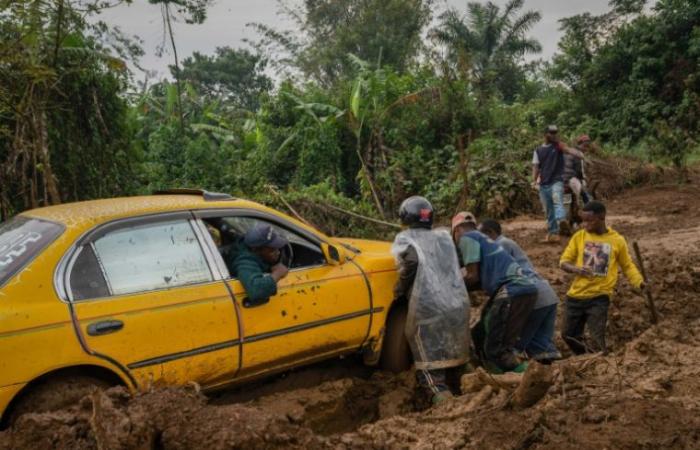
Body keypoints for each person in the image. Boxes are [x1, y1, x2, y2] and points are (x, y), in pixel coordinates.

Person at [392, 196, 470, 405]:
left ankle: (442, 396)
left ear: (405, 217)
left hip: (430, 307)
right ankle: (469, 377)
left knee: (427, 353)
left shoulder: (406, 240)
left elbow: (412, 264)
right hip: (457, 303)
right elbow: (458, 263)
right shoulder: (444, 237)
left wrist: (399, 290)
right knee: (454, 345)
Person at [451, 212, 537, 373]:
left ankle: (526, 374)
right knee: (479, 332)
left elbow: (472, 276)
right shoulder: (482, 239)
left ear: (456, 231)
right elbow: (478, 280)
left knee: (496, 348)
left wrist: (449, 287)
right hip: (523, 289)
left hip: (511, 290)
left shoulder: (467, 238)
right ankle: (492, 372)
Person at [559, 201, 645, 354]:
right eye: (583, 221)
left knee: (596, 338)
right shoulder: (579, 237)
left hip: (599, 297)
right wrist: (576, 269)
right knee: (568, 335)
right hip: (575, 296)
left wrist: (640, 283)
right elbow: (564, 262)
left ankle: (601, 363)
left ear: (602, 217)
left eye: (589, 220)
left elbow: (627, 266)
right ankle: (587, 358)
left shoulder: (617, 240)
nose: (585, 225)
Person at [479, 219, 561, 362]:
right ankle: (556, 374)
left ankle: (510, 375)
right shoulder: (507, 243)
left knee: (511, 344)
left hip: (531, 296)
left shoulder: (499, 245)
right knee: (540, 345)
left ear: (489, 233)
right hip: (547, 295)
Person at [532, 125, 584, 242]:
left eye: (555, 133)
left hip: (557, 180)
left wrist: (579, 154)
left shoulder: (558, 146)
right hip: (544, 182)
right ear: (545, 134)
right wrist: (534, 180)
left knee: (557, 199)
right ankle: (553, 234)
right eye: (551, 133)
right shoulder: (538, 150)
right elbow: (535, 166)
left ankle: (561, 220)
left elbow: (569, 150)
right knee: (549, 210)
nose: (554, 135)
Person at [228, 223, 290, 307]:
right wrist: (277, 273)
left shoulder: (248, 246)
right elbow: (256, 290)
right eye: (272, 249)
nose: (278, 252)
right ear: (256, 249)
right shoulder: (244, 262)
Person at [563, 134, 592, 206]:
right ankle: (589, 209)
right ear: (580, 145)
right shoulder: (579, 154)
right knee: (587, 196)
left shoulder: (569, 151)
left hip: (561, 179)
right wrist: (583, 179)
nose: (586, 149)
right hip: (571, 179)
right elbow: (579, 171)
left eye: (587, 147)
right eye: (585, 146)